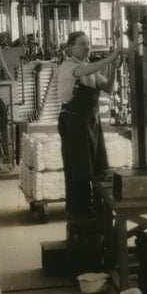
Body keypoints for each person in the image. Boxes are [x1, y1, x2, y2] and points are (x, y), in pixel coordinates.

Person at [57, 31, 121, 224]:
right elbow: (84, 72)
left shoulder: (90, 69)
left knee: (98, 165)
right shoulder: (69, 66)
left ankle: (97, 210)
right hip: (74, 122)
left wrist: (114, 68)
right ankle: (79, 213)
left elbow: (108, 88)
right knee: (79, 169)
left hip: (91, 122)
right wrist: (110, 57)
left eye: (89, 43)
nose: (88, 47)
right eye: (82, 43)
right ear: (70, 48)